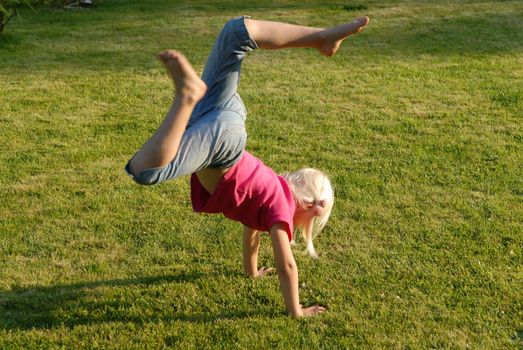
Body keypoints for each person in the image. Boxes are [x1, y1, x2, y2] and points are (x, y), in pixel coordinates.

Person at [125, 15, 369, 317]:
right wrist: (297, 310)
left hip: (228, 116)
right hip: (222, 145)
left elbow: (251, 232)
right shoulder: (280, 208)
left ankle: (321, 37)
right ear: (309, 207)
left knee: (236, 33)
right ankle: (186, 97)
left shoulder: (269, 195)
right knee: (145, 170)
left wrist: (251, 271)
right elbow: (286, 265)